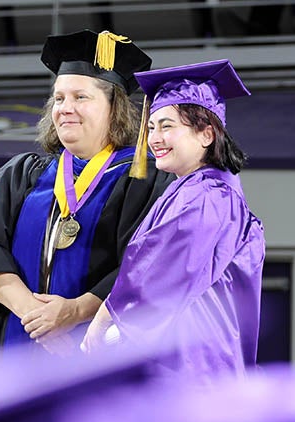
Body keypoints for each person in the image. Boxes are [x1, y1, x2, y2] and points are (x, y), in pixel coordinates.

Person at [0, 29, 175, 354]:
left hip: (95, 353)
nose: (64, 108)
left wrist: (74, 312)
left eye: (80, 97)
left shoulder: (143, 178)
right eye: (59, 98)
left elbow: (148, 264)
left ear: (114, 107)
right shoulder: (23, 174)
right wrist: (36, 316)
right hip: (19, 347)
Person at [81, 59, 266, 382]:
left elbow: (160, 272)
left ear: (206, 134)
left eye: (167, 126)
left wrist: (103, 322)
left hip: (192, 371)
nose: (154, 138)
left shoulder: (210, 195)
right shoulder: (193, 188)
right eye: (151, 128)